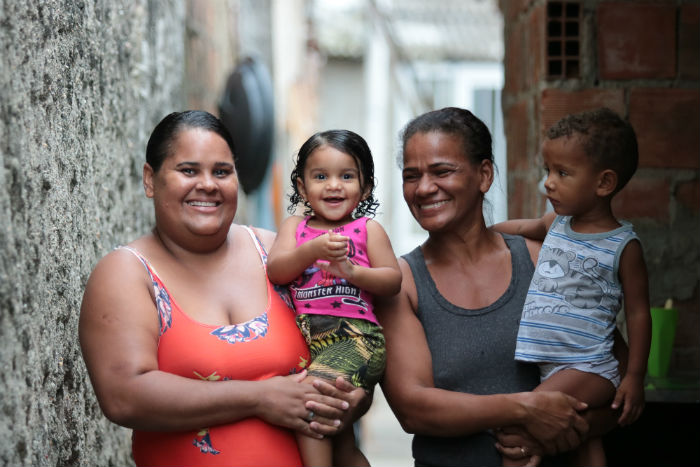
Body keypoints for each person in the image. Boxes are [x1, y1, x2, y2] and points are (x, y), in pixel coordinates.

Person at [79, 111, 369, 467]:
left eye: (221, 171)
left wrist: (352, 399)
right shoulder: (127, 273)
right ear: (150, 179)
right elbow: (124, 396)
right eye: (188, 170)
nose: (208, 184)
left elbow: (349, 339)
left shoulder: (277, 254)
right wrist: (259, 397)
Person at [376, 106, 626, 467]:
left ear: (484, 175)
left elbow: (614, 376)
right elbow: (414, 409)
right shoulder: (401, 284)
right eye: (411, 176)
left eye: (442, 171)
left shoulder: (546, 262)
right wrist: (526, 409)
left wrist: (558, 434)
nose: (424, 188)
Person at [493, 107, 651, 466]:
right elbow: (523, 227)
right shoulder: (556, 222)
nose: (548, 182)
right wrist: (483, 234)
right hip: (553, 366)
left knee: (519, 425)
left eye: (562, 173)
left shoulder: (623, 246)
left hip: (590, 367)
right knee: (584, 437)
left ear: (604, 183)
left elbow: (639, 314)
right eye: (547, 170)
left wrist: (635, 377)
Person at [267, 129, 402, 466]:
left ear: (365, 186)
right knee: (340, 442)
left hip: (355, 338)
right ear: (302, 187)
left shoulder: (367, 230)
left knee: (311, 401)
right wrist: (312, 249)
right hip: (309, 340)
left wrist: (354, 273)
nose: (333, 185)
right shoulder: (295, 229)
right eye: (320, 176)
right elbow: (277, 270)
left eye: (346, 176)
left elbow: (392, 279)